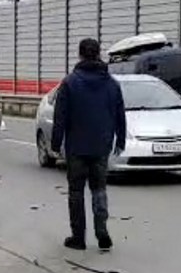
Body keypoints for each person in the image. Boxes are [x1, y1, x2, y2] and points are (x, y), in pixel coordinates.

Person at [51, 38, 126, 251]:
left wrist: (56, 144)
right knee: (99, 189)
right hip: (101, 145)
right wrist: (120, 139)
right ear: (98, 54)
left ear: (80, 55)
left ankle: (78, 237)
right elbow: (119, 114)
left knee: (76, 192)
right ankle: (102, 232)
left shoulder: (70, 83)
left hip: (76, 147)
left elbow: (60, 116)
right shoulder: (112, 84)